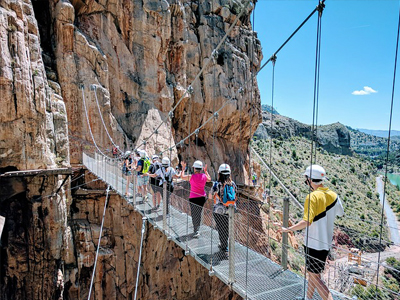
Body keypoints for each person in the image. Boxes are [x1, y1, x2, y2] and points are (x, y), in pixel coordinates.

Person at [280, 165, 344, 300]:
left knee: (315, 277)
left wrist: (289, 229)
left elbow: (306, 222)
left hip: (313, 244)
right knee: (313, 274)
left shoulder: (312, 197)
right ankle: (308, 298)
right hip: (325, 244)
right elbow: (341, 213)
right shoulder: (334, 196)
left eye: (306, 179)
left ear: (309, 180)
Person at [210, 163, 237, 258]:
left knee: (221, 229)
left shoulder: (216, 184)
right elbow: (235, 195)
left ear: (219, 173)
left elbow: (210, 195)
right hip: (229, 210)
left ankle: (224, 248)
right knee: (227, 228)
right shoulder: (232, 184)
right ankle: (225, 246)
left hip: (218, 210)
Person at [180, 160, 211, 238]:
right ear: (201, 169)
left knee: (194, 214)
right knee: (199, 212)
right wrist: (206, 171)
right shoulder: (204, 176)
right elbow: (209, 179)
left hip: (193, 197)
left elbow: (182, 177)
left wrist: (183, 169)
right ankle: (197, 229)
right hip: (202, 197)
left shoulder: (191, 176)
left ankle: (196, 230)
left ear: (194, 169)